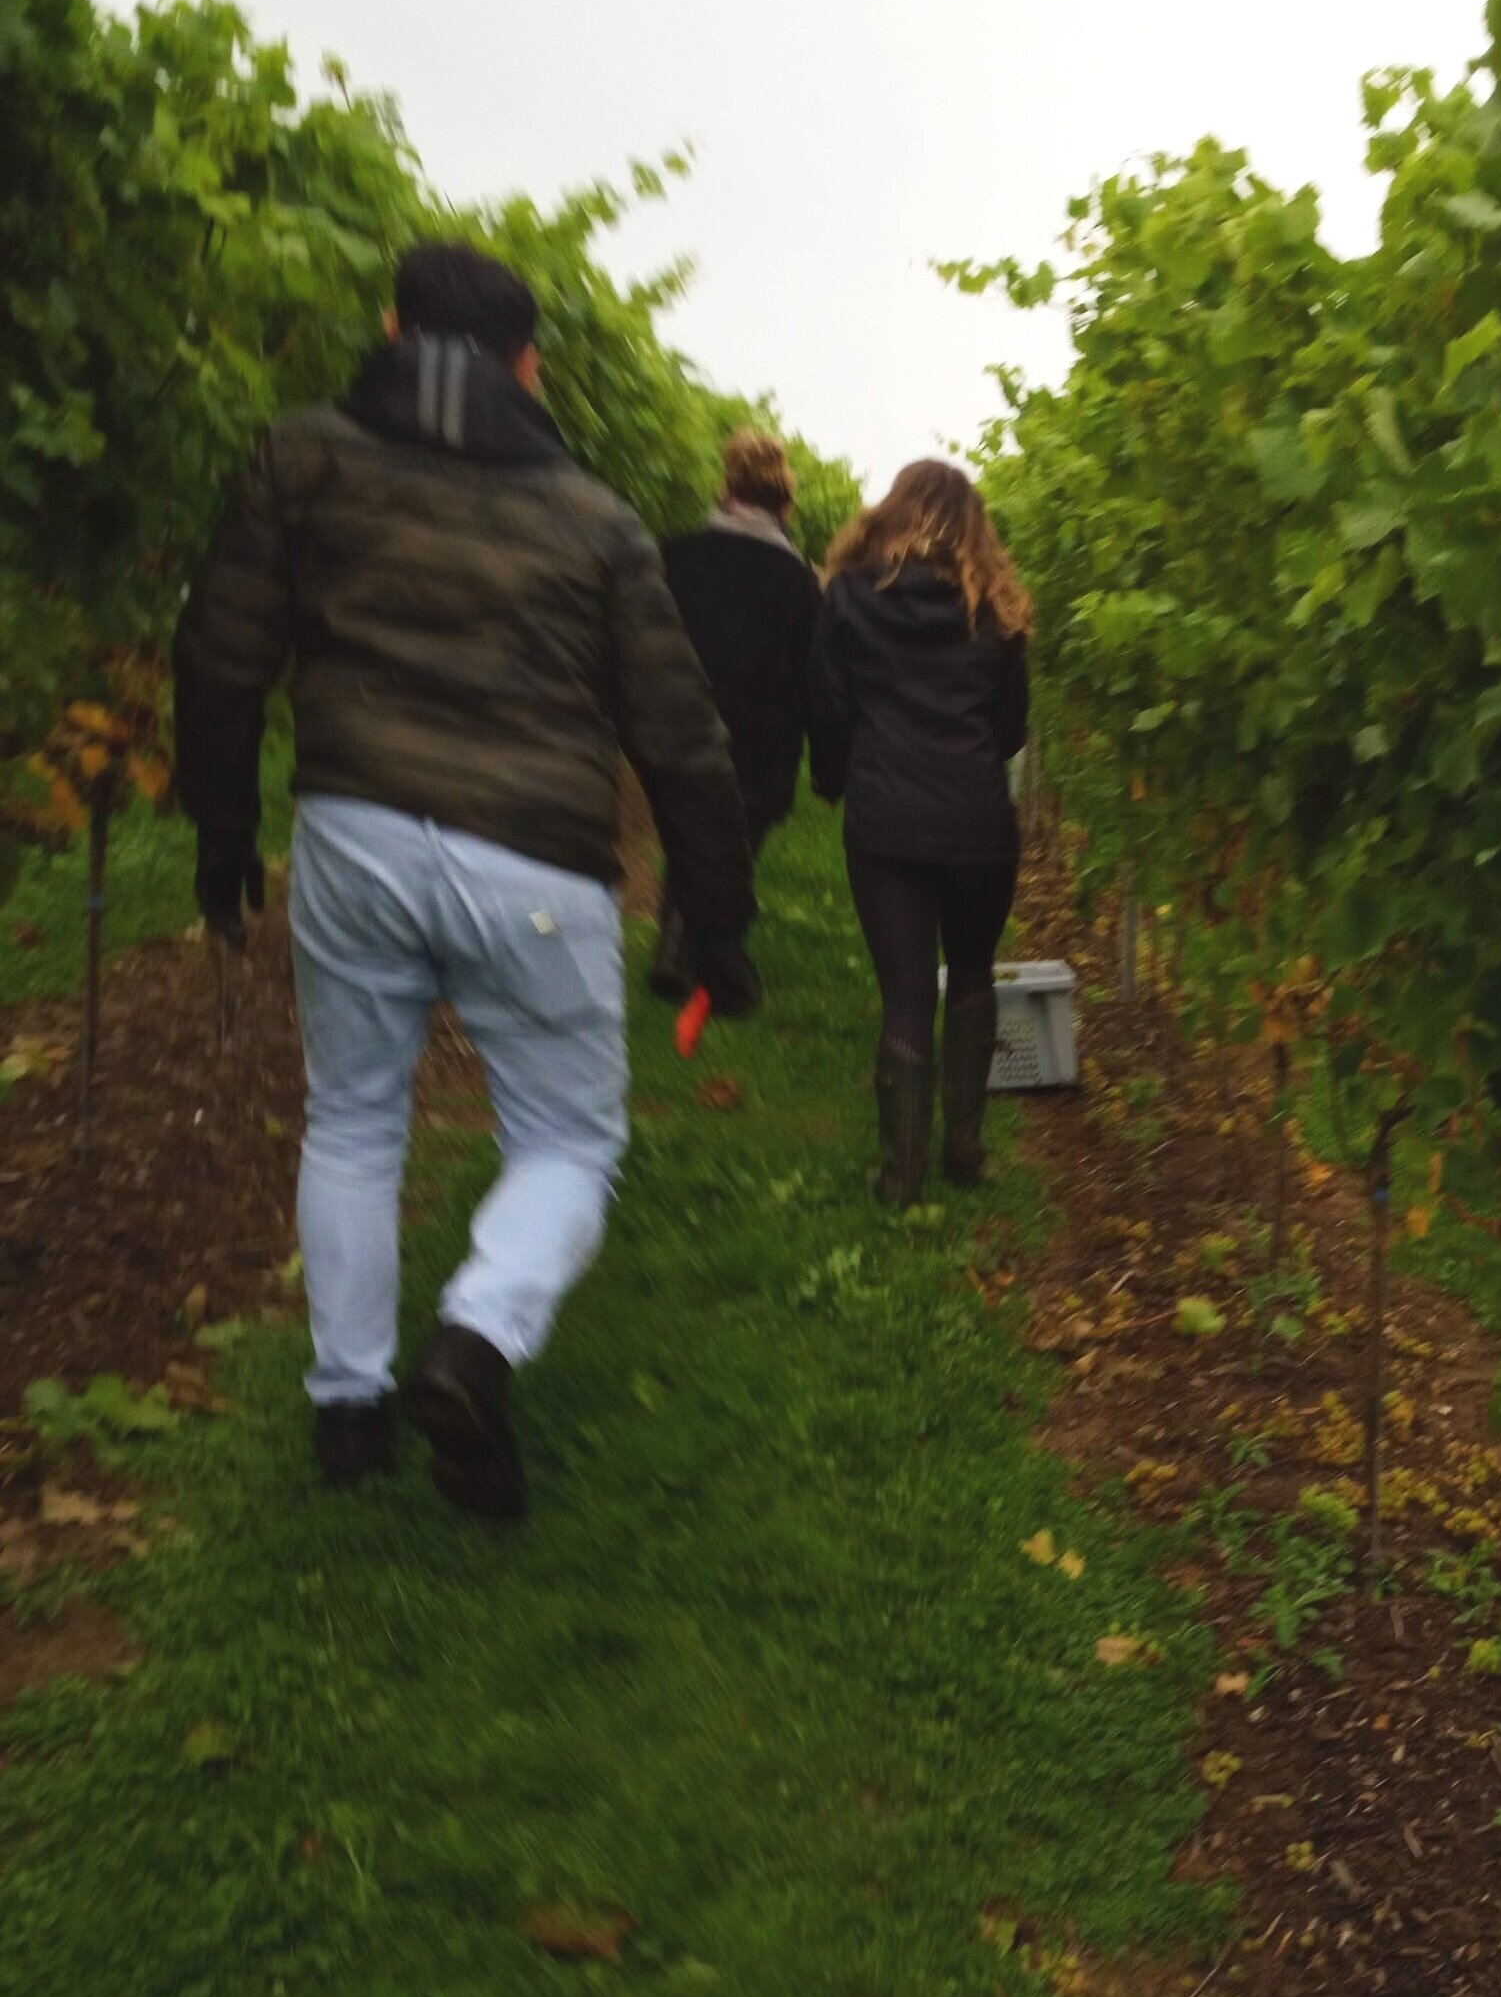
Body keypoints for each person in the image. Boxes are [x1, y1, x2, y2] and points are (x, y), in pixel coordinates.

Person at [172, 239, 760, 1522]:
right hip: (535, 859)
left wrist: (223, 832)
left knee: (354, 1118)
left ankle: (347, 1408)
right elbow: (679, 734)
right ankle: (476, 1341)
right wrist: (716, 911)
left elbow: (220, 653)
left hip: (353, 829)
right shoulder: (593, 518)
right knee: (564, 1137)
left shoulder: (301, 455)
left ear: (390, 330)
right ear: (530, 368)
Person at [810, 461, 1031, 1206]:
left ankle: (899, 1176)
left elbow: (831, 709)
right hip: (977, 822)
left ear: (891, 513)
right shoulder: (997, 608)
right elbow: (1010, 733)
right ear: (974, 526)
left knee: (906, 993)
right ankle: (965, 1146)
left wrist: (835, 779)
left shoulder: (847, 596)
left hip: (886, 823)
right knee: (971, 970)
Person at [651, 426, 821, 999]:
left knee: (690, 829)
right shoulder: (796, 579)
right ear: (783, 501)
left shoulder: (677, 556)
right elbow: (811, 671)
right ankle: (705, 946)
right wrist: (826, 753)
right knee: (738, 840)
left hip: (681, 722)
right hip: (761, 740)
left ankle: (683, 939)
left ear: (727, 488)